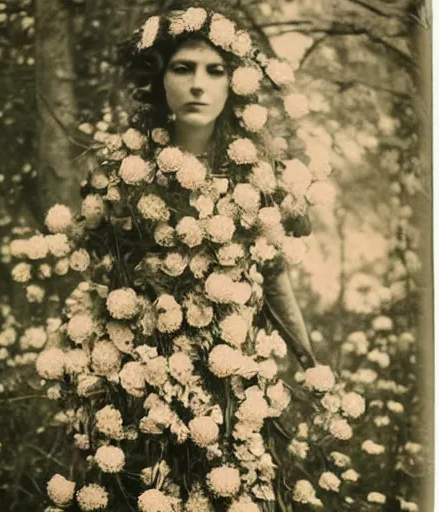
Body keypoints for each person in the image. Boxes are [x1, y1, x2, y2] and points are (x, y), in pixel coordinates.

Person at [43, 6, 328, 511]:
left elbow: (275, 280)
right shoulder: (121, 173)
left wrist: (310, 364)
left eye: (214, 70)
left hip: (228, 387)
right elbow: (98, 281)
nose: (199, 84)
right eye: (183, 68)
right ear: (159, 78)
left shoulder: (261, 177)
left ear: (233, 83)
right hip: (138, 386)